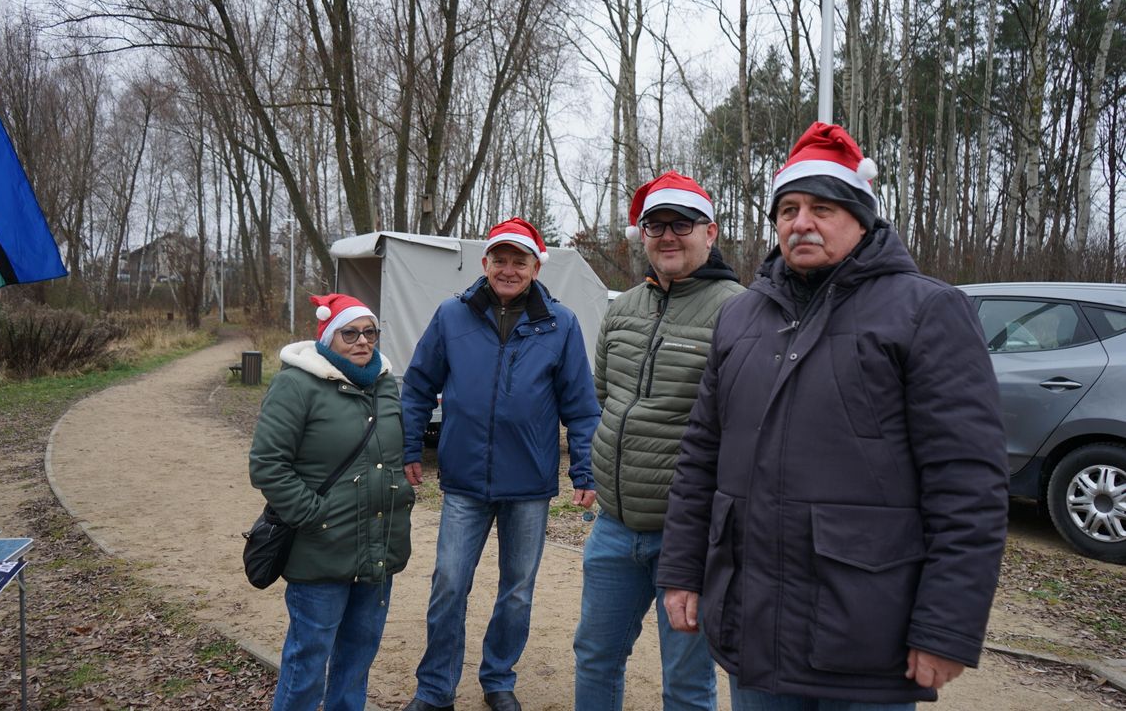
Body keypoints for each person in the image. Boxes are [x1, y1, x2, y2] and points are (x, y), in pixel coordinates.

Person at [657, 122, 1009, 710]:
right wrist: (682, 571)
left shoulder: (926, 311)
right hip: (755, 627)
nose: (801, 223)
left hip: (865, 633)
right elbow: (700, 457)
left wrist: (946, 626)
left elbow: (968, 483)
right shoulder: (741, 317)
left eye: (823, 207)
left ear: (862, 216)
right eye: (788, 208)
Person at [401, 217, 600, 711]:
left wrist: (586, 470)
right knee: (449, 582)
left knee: (517, 592)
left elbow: (580, 405)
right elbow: (419, 385)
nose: (508, 269)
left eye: (520, 260)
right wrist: (409, 447)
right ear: (485, 262)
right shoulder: (452, 316)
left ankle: (497, 678)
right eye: (500, 259)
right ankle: (435, 690)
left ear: (536, 267)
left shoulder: (561, 323)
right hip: (465, 480)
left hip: (529, 484)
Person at [573, 171, 744, 711]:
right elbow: (605, 397)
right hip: (614, 528)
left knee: (688, 682)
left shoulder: (740, 311)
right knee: (595, 656)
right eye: (655, 225)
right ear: (641, 235)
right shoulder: (623, 309)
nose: (667, 235)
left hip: (689, 537)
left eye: (682, 224)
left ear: (710, 232)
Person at [249, 293, 414, 711]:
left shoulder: (384, 385)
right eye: (350, 333)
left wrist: (403, 497)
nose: (362, 341)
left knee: (357, 659)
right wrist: (313, 516)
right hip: (319, 548)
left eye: (370, 332)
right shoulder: (296, 383)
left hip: (378, 547)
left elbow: (390, 458)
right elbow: (268, 465)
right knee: (308, 660)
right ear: (327, 335)